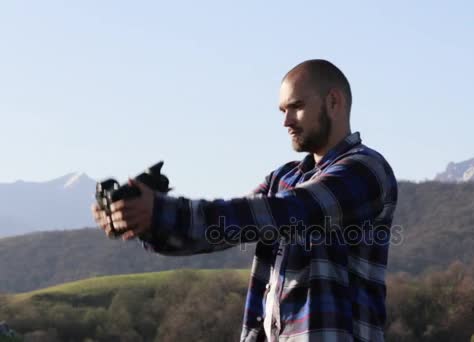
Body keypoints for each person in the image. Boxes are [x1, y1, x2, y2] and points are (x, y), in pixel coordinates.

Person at [92, 59, 398, 342]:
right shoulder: (283, 179)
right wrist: (142, 221)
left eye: (297, 107)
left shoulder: (365, 169)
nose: (286, 121)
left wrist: (166, 212)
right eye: (282, 111)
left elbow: (290, 212)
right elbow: (221, 230)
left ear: (334, 102)